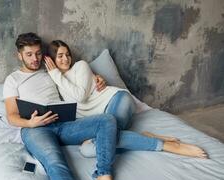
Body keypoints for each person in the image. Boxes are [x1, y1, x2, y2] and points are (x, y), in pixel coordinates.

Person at [3, 33, 131, 180]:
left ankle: (104, 179)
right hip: (35, 129)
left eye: (38, 53)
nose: (35, 58)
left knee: (107, 120)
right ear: (19, 55)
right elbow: (11, 116)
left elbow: (76, 80)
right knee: (55, 161)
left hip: (63, 123)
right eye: (29, 54)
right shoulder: (13, 79)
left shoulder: (51, 70)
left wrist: (97, 78)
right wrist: (31, 123)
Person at [44, 40, 208, 159]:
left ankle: (166, 146)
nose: (65, 59)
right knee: (87, 150)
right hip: (101, 120)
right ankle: (145, 137)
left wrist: (57, 75)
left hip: (116, 100)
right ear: (52, 60)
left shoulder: (80, 66)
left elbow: (80, 96)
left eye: (67, 55)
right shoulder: (57, 83)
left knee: (109, 138)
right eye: (59, 56)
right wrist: (56, 77)